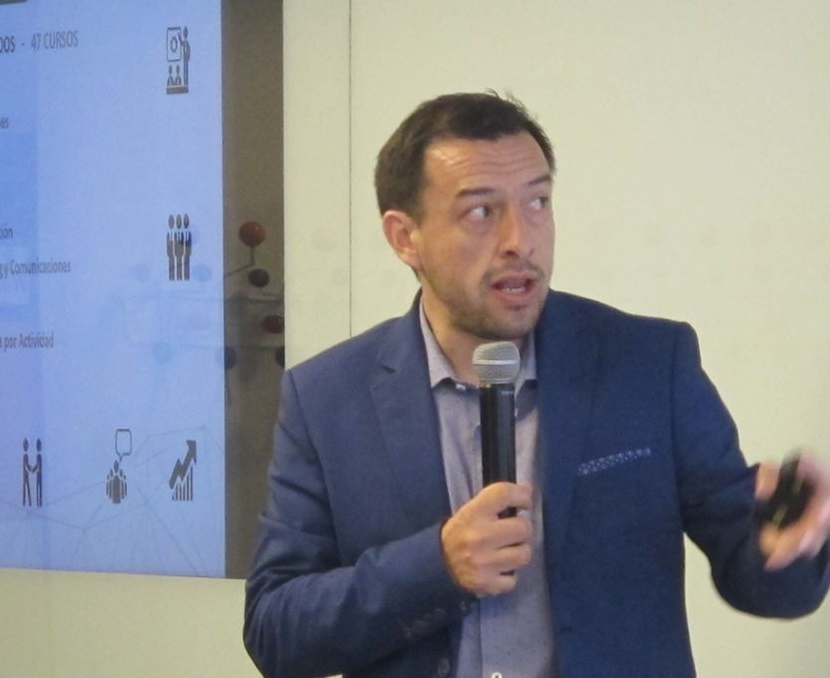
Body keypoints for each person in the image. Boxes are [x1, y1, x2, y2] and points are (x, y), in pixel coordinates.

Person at [243, 92, 830, 678]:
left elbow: (762, 576)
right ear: (404, 237)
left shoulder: (648, 365)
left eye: (538, 202)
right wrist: (435, 566)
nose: (520, 240)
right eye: (481, 211)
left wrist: (790, 544)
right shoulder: (327, 398)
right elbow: (275, 632)